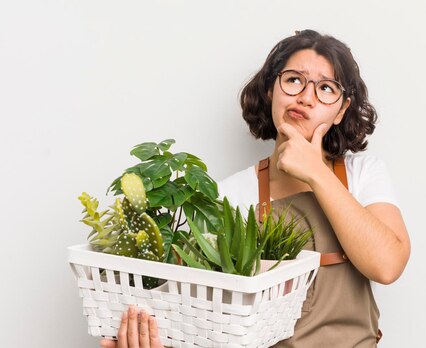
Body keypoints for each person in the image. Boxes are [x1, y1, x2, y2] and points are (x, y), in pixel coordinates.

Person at [100, 29, 410, 348]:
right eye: (293, 80)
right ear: (270, 90)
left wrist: (317, 173)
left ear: (341, 110)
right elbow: (208, 322)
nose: (305, 96)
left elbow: (387, 266)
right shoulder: (228, 195)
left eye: (326, 88)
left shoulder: (363, 174)